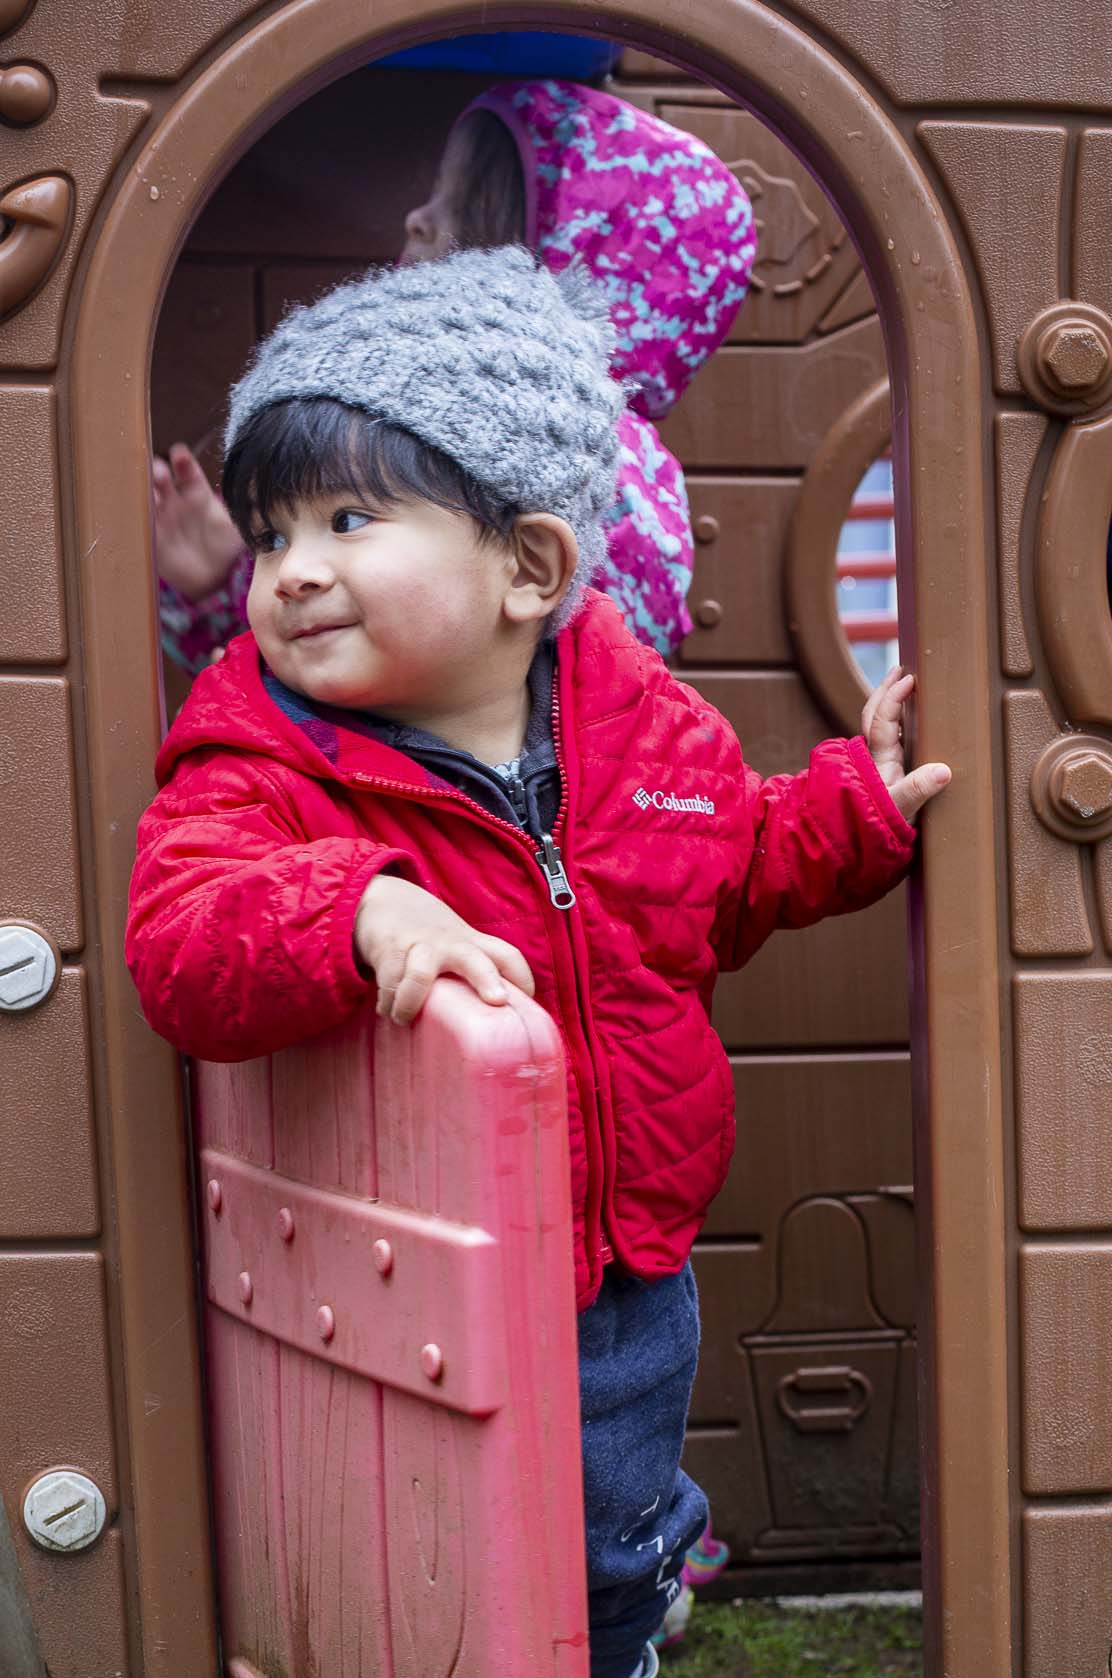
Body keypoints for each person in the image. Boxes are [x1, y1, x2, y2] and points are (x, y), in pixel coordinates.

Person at [126, 248, 949, 1678]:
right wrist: (357, 907)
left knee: (604, 1537)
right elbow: (180, 933)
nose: (292, 569)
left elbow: (730, 869)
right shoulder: (260, 748)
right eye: (269, 536)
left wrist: (853, 811)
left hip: (631, 1261)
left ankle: (637, 1586)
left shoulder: (637, 723)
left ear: (529, 566)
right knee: (449, 1572)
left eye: (347, 516)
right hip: (405, 1286)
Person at [154, 79, 756, 670]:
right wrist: (222, 580)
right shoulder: (414, 405)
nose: (417, 218)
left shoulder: (588, 467)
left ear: (568, 250)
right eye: (273, 540)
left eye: (460, 203)